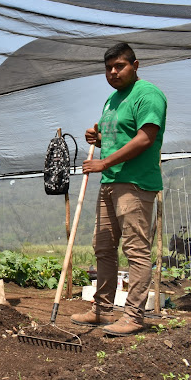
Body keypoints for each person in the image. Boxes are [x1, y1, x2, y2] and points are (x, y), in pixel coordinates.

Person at [71, 43, 167, 336]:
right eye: (109, 68)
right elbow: (117, 138)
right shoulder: (112, 100)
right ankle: (101, 309)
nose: (113, 72)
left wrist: (105, 162)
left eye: (120, 66)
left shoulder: (148, 94)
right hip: (110, 182)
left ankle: (134, 315)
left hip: (135, 184)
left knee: (136, 249)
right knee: (103, 247)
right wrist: (97, 139)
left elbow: (145, 138)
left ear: (135, 65)